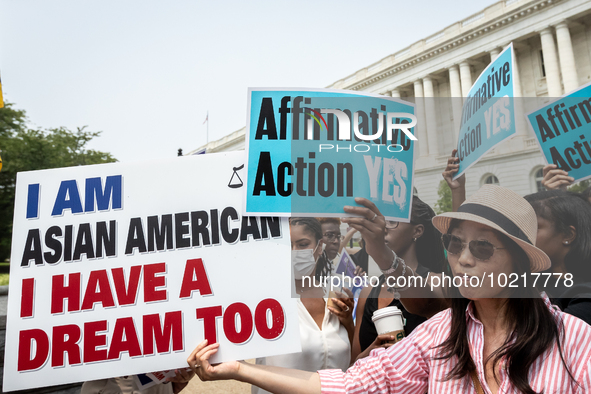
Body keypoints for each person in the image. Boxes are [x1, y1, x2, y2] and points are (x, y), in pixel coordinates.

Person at [188, 186, 591, 393]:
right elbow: (346, 385)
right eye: (455, 244)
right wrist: (240, 370)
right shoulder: (439, 336)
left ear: (519, 261)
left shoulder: (576, 340)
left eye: (482, 247)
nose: (464, 258)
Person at [251, 217, 354, 394]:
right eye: (287, 245)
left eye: (302, 244)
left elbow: (351, 354)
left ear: (319, 246)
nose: (294, 251)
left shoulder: (335, 294)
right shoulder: (266, 300)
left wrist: (348, 321)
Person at [352, 196, 446, 361]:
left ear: (417, 231)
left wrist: (380, 251)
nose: (383, 227)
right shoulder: (367, 292)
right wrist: (371, 355)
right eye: (381, 220)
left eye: (392, 221)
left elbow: (424, 302)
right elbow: (354, 363)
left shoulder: (437, 283)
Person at [524, 190, 591, 325]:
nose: (522, 235)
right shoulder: (527, 281)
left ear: (568, 235)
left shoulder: (583, 298)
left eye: (532, 227)